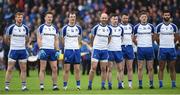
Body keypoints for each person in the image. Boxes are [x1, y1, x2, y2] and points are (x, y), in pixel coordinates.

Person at [4, 12, 29, 91]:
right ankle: (7, 86)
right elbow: (6, 38)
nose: (20, 18)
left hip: (22, 50)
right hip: (13, 50)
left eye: (21, 17)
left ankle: (23, 86)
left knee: (23, 69)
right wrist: (11, 45)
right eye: (18, 17)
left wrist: (23, 45)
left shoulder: (26, 28)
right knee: (10, 68)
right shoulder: (11, 28)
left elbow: (27, 39)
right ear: (15, 18)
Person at [88, 13, 112, 90]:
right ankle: (90, 85)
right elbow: (91, 37)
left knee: (103, 69)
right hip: (96, 50)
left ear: (107, 19)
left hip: (104, 50)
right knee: (93, 67)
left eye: (105, 18)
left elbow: (109, 38)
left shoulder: (109, 29)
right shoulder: (96, 28)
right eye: (103, 18)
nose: (104, 19)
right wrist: (93, 46)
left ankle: (103, 85)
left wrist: (105, 45)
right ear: (100, 18)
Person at [156, 10, 179, 88]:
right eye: (165, 15)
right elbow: (156, 38)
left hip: (171, 49)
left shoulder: (174, 26)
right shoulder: (159, 26)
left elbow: (177, 37)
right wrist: (161, 44)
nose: (167, 16)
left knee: (172, 67)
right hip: (162, 49)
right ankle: (161, 84)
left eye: (168, 15)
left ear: (170, 16)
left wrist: (172, 43)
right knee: (161, 67)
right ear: (163, 16)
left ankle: (173, 84)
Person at [37, 11, 60, 91]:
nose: (50, 18)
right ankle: (41, 85)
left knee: (55, 68)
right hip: (44, 49)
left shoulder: (55, 28)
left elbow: (56, 40)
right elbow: (39, 39)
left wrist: (57, 50)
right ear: (45, 18)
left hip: (52, 50)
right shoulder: (41, 27)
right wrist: (41, 49)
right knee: (42, 68)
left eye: (51, 17)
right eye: (48, 17)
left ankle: (55, 85)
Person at [133, 10, 155, 89]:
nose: (144, 18)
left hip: (149, 48)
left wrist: (149, 43)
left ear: (147, 18)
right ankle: (140, 84)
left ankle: (151, 84)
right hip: (140, 49)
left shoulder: (151, 26)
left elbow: (153, 37)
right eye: (142, 17)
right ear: (140, 18)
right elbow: (133, 38)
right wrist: (138, 45)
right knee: (140, 67)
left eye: (145, 17)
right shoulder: (136, 27)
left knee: (150, 67)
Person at [61, 12, 82, 90]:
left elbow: (80, 38)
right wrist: (66, 47)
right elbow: (62, 40)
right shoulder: (65, 28)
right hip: (68, 50)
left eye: (74, 17)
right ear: (68, 18)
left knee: (77, 69)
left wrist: (78, 46)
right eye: (71, 17)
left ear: (75, 18)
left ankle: (78, 86)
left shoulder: (79, 28)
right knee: (66, 69)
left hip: (76, 50)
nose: (72, 18)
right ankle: (65, 86)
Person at [107, 14, 124, 90]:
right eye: (114, 19)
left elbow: (122, 39)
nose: (115, 20)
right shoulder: (108, 28)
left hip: (118, 50)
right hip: (110, 50)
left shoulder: (121, 29)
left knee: (120, 69)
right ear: (110, 20)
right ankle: (110, 85)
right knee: (109, 69)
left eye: (116, 19)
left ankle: (120, 84)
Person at [120, 13, 134, 88]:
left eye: (126, 18)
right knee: (121, 68)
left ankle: (130, 84)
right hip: (121, 47)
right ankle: (121, 84)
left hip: (129, 47)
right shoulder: (119, 27)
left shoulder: (131, 26)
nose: (125, 19)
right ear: (121, 18)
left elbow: (133, 37)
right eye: (124, 18)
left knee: (130, 67)